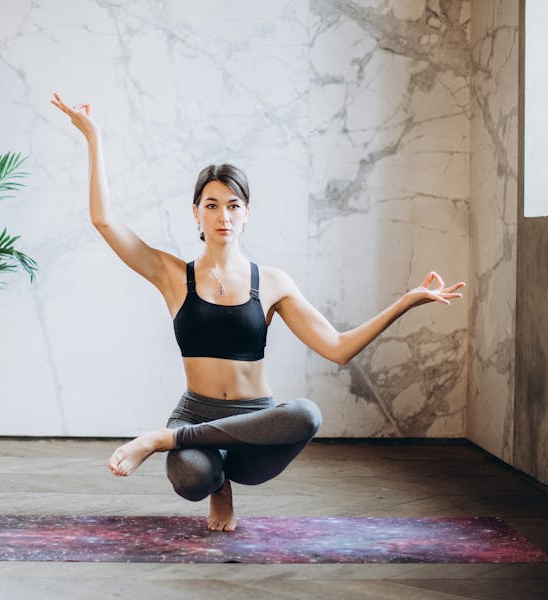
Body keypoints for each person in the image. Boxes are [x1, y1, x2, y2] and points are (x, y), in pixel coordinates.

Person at [50, 92, 465, 532]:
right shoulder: (173, 275)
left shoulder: (271, 283)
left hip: (255, 424)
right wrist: (93, 137)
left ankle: (159, 440)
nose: (222, 216)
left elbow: (339, 348)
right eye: (211, 205)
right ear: (196, 213)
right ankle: (215, 483)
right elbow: (104, 221)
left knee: (306, 414)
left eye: (233, 206)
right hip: (196, 415)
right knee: (193, 477)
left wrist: (404, 302)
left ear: (247, 213)